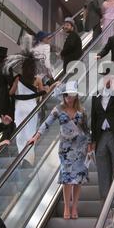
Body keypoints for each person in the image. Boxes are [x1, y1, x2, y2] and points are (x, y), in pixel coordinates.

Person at [28, 81, 90, 220]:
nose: (68, 98)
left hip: (80, 147)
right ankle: (67, 207)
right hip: (65, 149)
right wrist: (36, 136)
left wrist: (90, 145)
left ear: (75, 96)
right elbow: (47, 123)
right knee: (67, 178)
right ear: (63, 95)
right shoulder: (58, 109)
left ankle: (75, 207)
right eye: (66, 95)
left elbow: (86, 129)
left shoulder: (82, 110)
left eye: (71, 96)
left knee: (78, 179)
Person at [4, 37, 59, 167]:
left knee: (20, 134)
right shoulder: (37, 79)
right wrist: (51, 86)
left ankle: (20, 158)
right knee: (30, 133)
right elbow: (44, 94)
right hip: (31, 108)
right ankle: (29, 161)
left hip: (19, 108)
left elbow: (11, 93)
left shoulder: (18, 78)